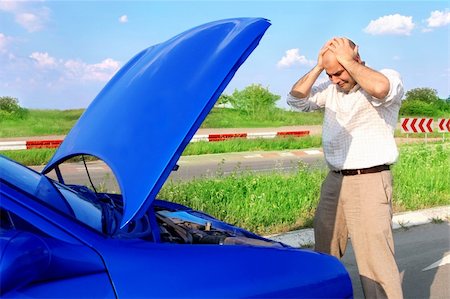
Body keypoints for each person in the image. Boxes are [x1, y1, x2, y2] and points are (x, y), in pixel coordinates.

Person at [287, 37, 404, 299]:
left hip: (370, 180)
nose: (335, 80)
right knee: (324, 253)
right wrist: (319, 67)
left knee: (375, 263)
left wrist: (348, 61)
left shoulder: (385, 77)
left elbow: (381, 88)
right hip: (335, 181)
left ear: (357, 61)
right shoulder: (330, 90)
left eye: (339, 73)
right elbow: (295, 99)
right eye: (330, 75)